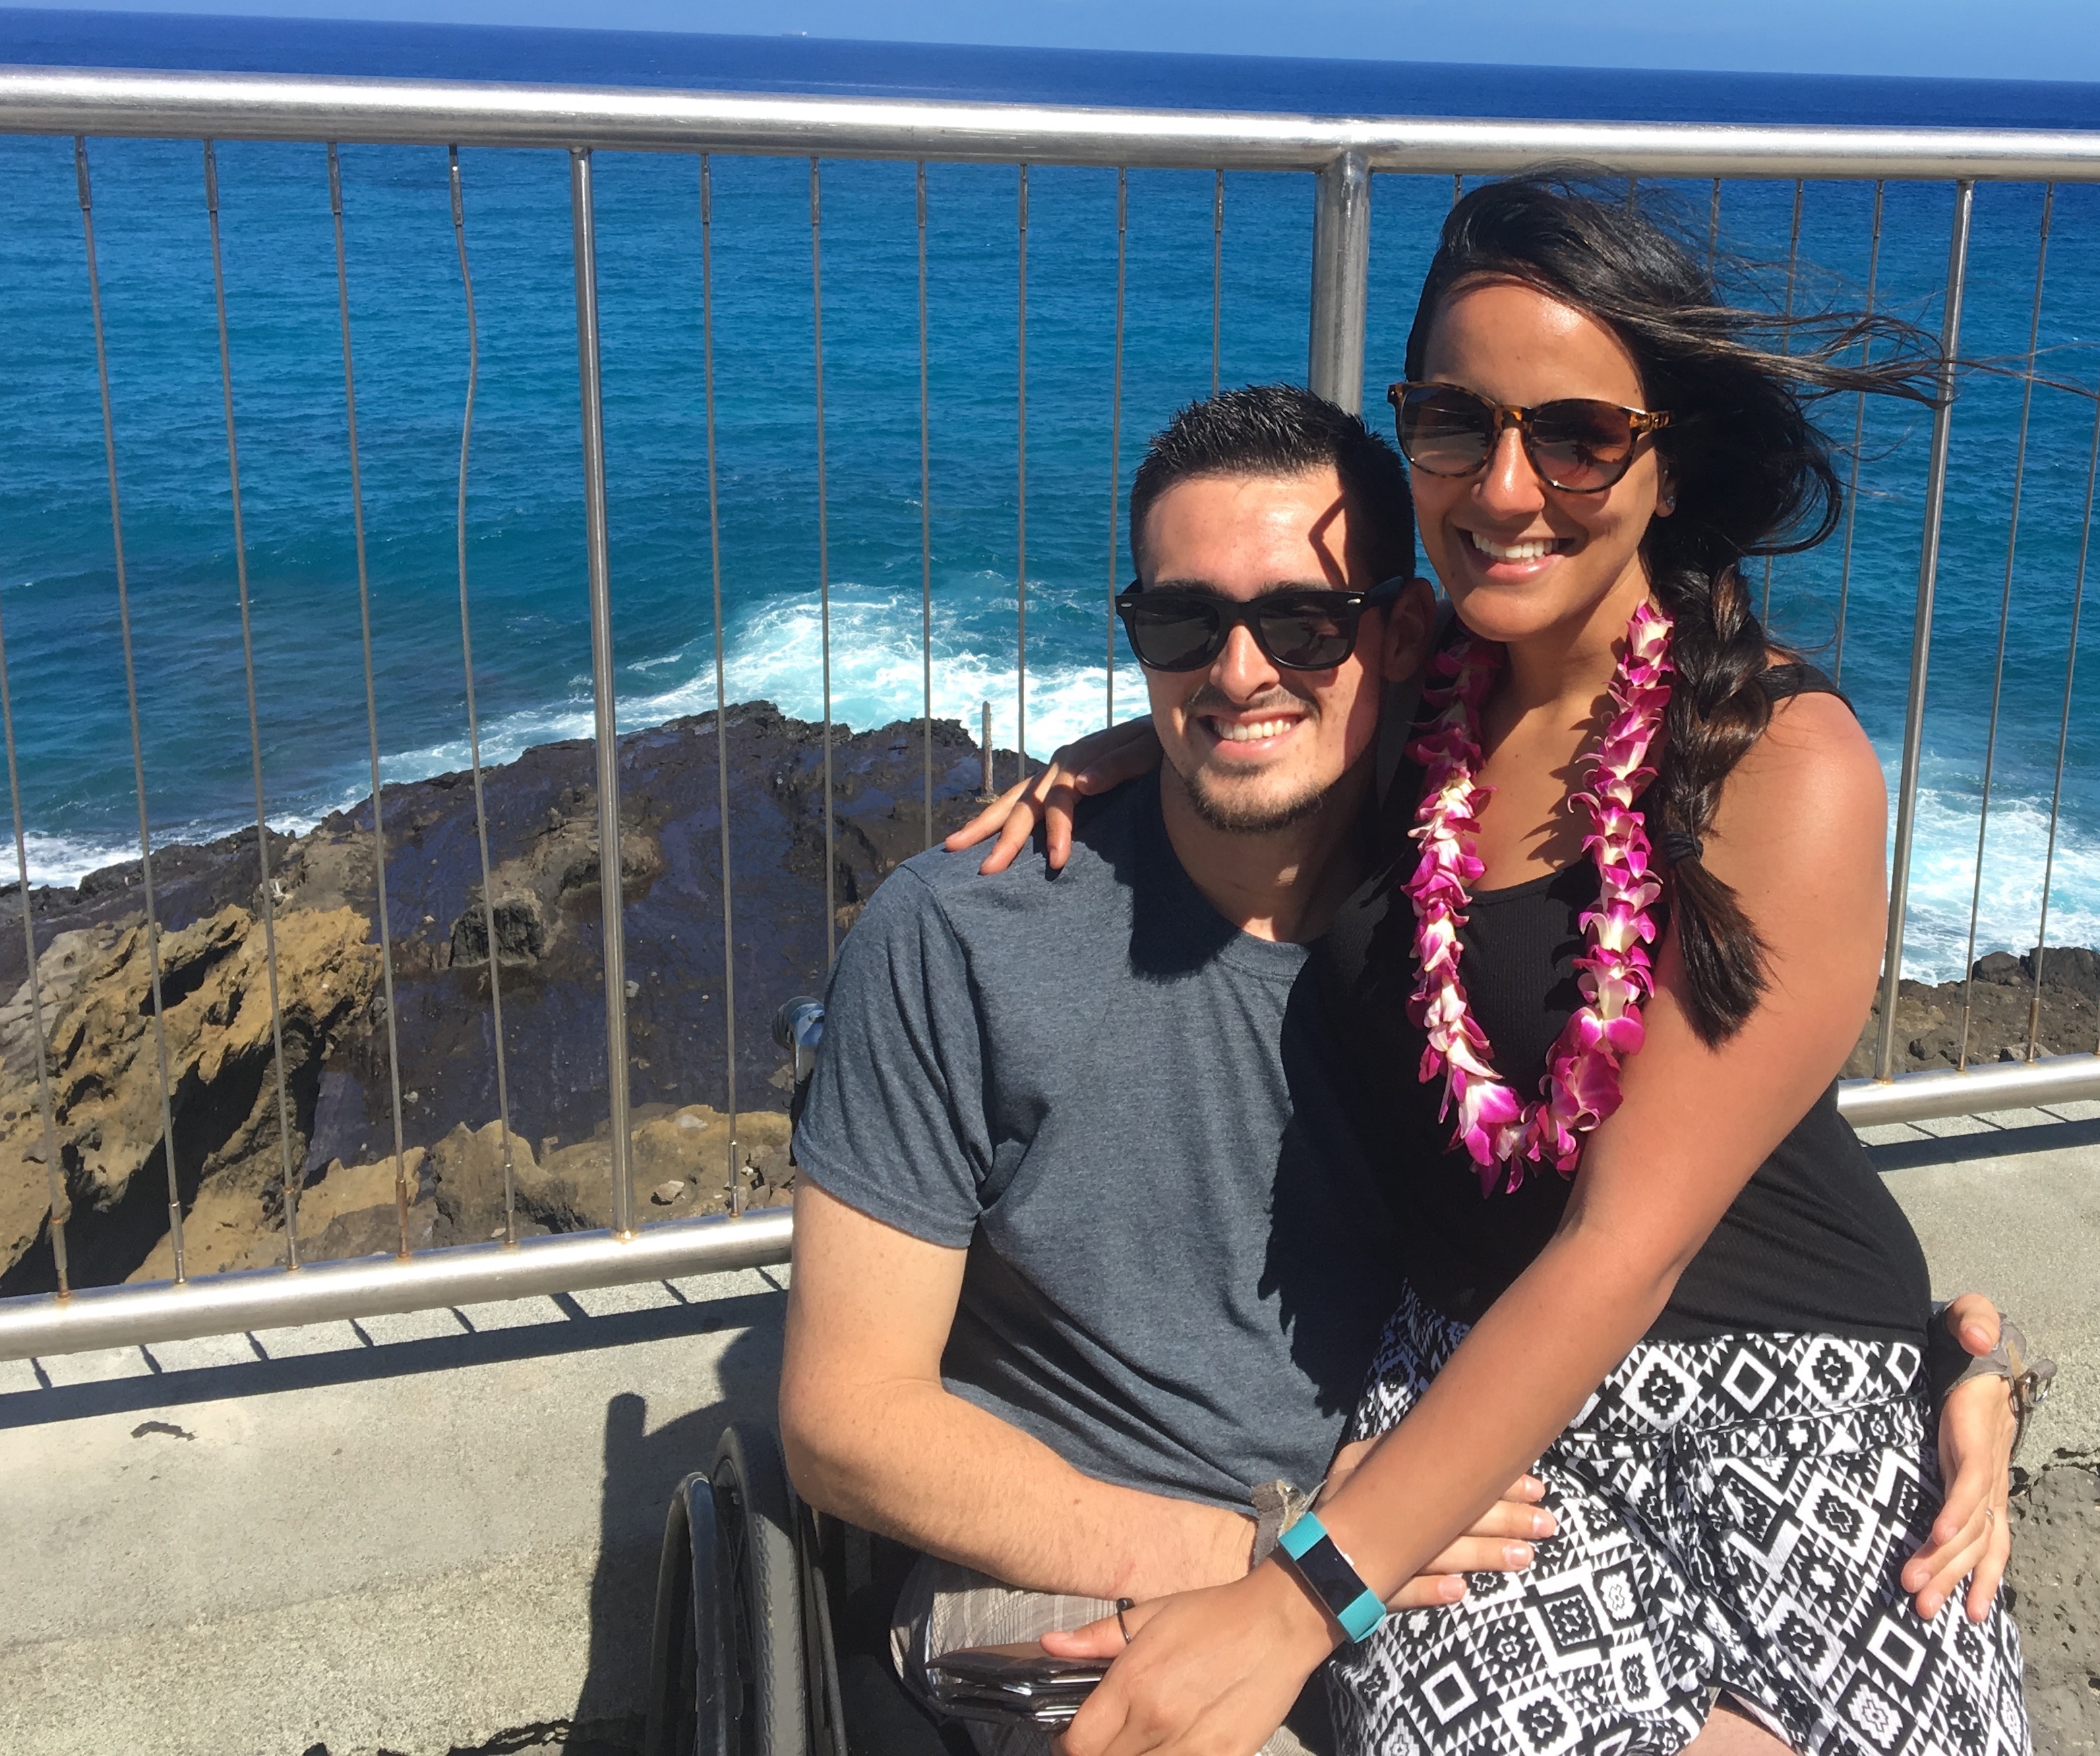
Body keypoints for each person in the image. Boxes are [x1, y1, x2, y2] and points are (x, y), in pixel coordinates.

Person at [783, 382, 2021, 1756]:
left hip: (1445, 1525)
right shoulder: (963, 935)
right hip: (1113, 1550)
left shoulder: (1474, 930)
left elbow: (1691, 1206)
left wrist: (1959, 1356)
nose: (1237, 674)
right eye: (1183, 624)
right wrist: (1271, 1563)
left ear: (1405, 635)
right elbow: (844, 1420)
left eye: (1302, 624)